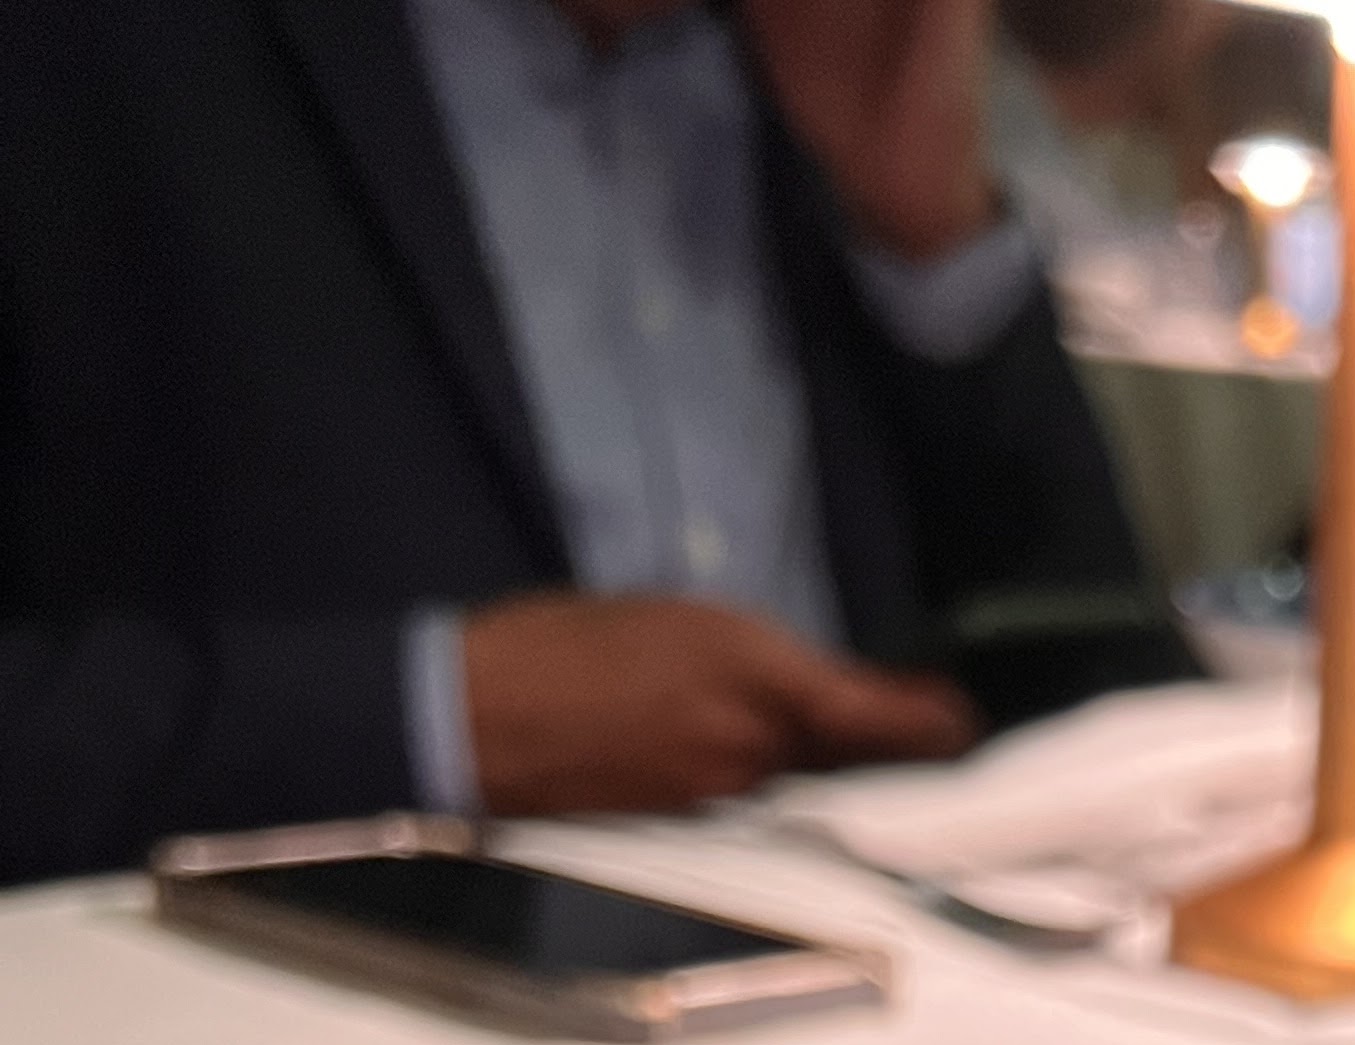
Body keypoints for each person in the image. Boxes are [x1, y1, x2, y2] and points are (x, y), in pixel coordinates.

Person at [0, 0, 1191, 888]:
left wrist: (928, 245)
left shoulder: (814, 68)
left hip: (895, 998)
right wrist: (437, 720)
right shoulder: (96, 59)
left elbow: (1104, 669)